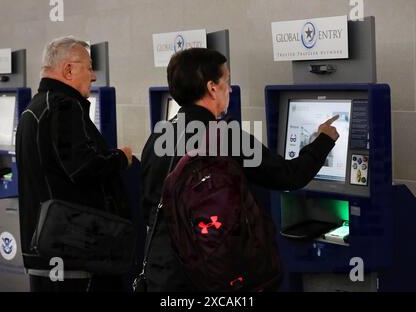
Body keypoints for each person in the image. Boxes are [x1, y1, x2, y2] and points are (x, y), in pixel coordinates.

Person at [140, 47, 339, 292]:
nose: (230, 89)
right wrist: (323, 140)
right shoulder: (225, 137)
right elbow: (291, 175)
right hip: (207, 273)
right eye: (227, 81)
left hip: (162, 270)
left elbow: (149, 202)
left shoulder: (158, 135)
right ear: (212, 88)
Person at [16, 36, 133, 292]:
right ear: (68, 70)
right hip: (74, 256)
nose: (93, 77)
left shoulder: (34, 108)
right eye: (89, 67)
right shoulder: (63, 106)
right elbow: (84, 168)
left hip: (47, 251)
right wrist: (120, 158)